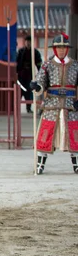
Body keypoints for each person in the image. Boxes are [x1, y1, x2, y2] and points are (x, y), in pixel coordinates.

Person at [29, 33, 78, 174]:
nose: (62, 50)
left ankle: (76, 165)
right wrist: (36, 86)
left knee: (74, 135)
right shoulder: (47, 65)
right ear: (54, 49)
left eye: (64, 47)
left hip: (70, 105)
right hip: (52, 105)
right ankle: (40, 165)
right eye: (59, 47)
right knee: (45, 133)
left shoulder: (75, 65)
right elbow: (41, 82)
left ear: (67, 49)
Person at [16, 35, 42, 113]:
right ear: (25, 42)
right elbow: (17, 63)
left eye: (29, 42)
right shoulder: (21, 51)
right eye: (27, 42)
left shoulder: (35, 52)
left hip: (29, 75)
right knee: (19, 92)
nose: (28, 43)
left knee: (29, 92)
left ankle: (28, 108)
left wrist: (40, 73)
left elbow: (38, 63)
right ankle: (16, 108)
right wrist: (16, 73)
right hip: (21, 75)